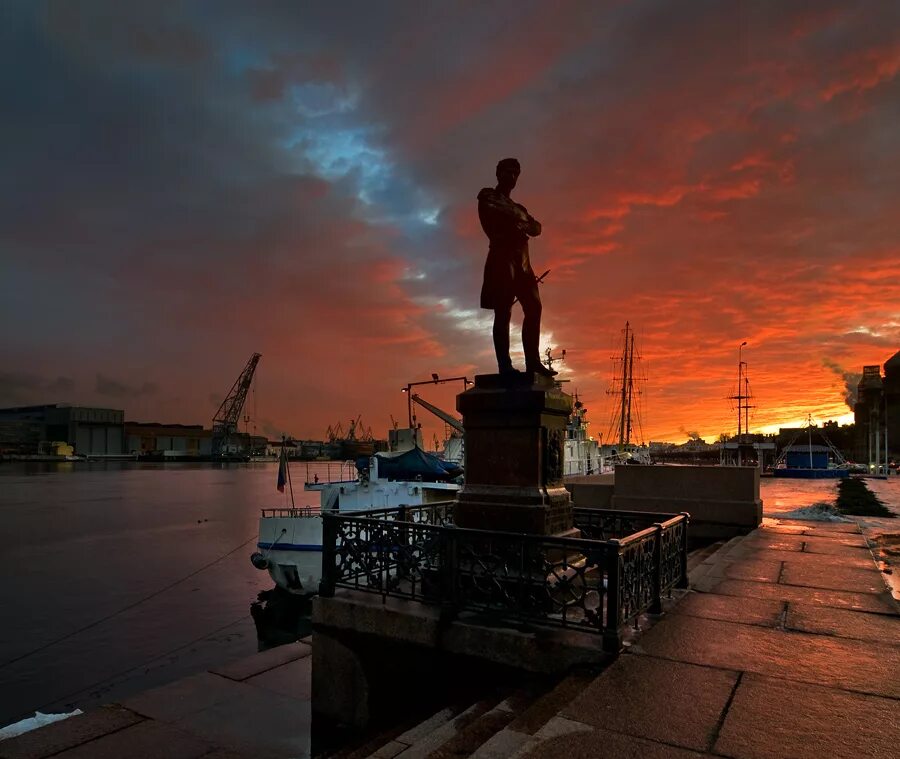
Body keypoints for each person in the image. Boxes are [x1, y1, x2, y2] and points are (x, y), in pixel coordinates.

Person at [478, 158, 556, 377]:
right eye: (508, 172)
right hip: (501, 260)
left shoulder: (517, 207)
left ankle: (533, 362)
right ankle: (505, 366)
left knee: (534, 307)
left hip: (523, 262)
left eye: (515, 174)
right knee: (503, 312)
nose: (512, 177)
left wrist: (519, 218)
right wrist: (520, 220)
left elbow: (536, 228)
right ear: (498, 173)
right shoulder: (487, 195)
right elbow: (498, 215)